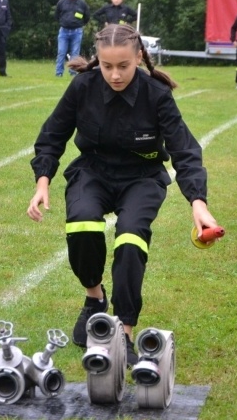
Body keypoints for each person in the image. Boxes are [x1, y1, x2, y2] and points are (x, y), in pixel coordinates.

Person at [27, 23, 218, 366]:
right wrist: (43, 181)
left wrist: (198, 204)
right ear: (97, 61)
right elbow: (52, 135)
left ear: (139, 58)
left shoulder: (157, 95)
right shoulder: (82, 87)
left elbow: (185, 151)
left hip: (141, 178)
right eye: (107, 66)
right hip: (93, 172)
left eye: (124, 66)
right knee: (82, 224)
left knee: (130, 239)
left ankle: (124, 333)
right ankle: (94, 299)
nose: (115, 75)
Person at [54, 0, 90, 77]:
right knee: (61, 52)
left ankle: (73, 72)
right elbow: (57, 15)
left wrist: (80, 24)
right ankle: (59, 73)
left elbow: (87, 16)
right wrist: (63, 22)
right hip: (64, 31)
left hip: (77, 31)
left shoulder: (82, 3)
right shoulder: (62, 2)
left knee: (75, 53)